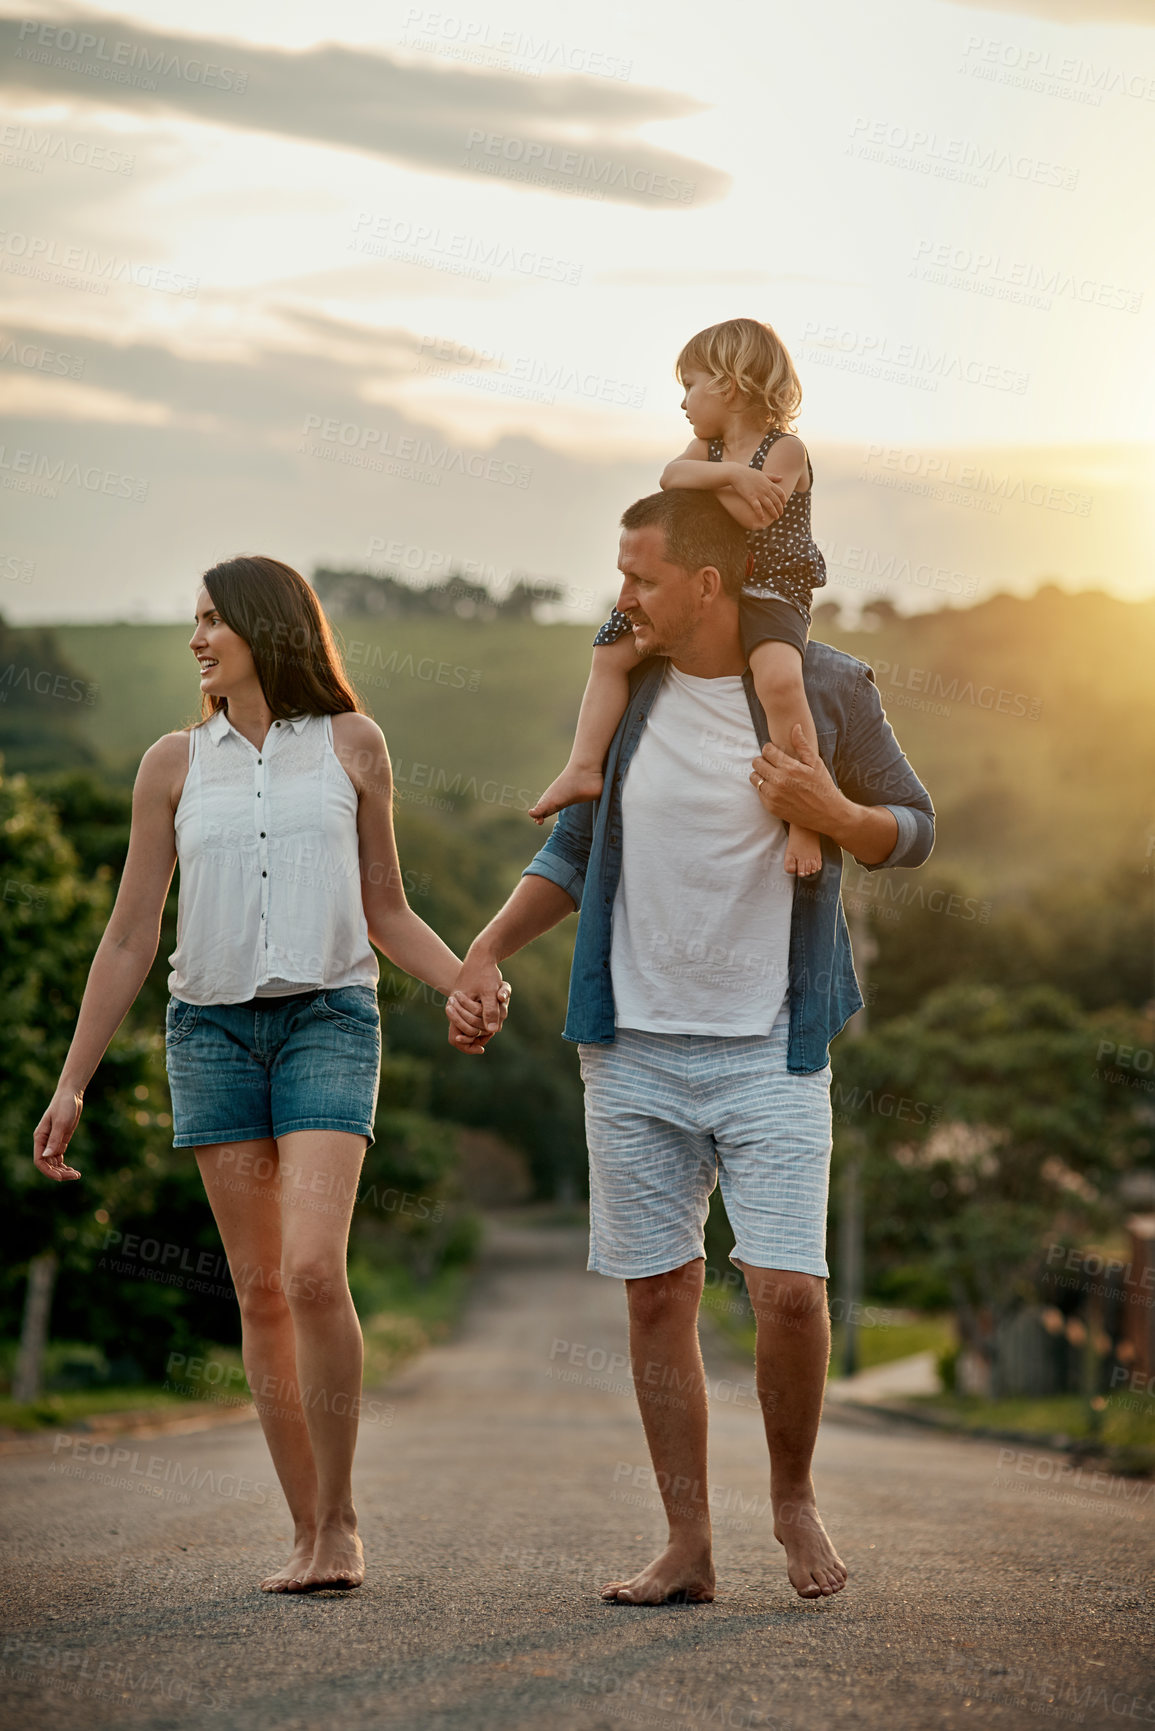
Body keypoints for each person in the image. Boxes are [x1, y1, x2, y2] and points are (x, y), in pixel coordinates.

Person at [446, 491, 934, 1605]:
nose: (621, 601)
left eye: (642, 579)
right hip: (630, 1049)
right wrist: (483, 952)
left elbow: (914, 824)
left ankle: (794, 1498)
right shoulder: (633, 689)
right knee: (656, 1296)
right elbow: (573, 852)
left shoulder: (824, 689)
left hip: (772, 1045)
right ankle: (687, 1543)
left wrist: (837, 813)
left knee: (789, 1293)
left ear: (709, 586)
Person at [32, 555, 507, 1595]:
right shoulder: (170, 765)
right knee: (256, 1291)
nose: (196, 639)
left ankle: (342, 1518)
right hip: (208, 1032)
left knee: (309, 1272)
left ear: (264, 627)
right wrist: (73, 1081)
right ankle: (307, 1530)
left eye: (212, 620)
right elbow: (127, 938)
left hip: (329, 1021)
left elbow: (385, 910)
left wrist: (463, 977)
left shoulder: (353, 745)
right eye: (192, 622)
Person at [529, 317, 828, 879]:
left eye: (690, 385)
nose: (684, 402)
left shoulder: (786, 450)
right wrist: (734, 476)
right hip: (714, 583)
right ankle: (583, 765)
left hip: (770, 588)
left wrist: (721, 481)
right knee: (610, 653)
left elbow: (748, 514)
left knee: (780, 681)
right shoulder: (710, 447)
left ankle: (805, 815)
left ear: (730, 385)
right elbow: (670, 477)